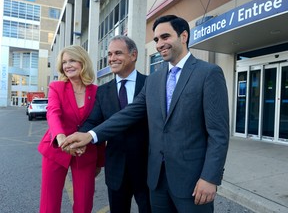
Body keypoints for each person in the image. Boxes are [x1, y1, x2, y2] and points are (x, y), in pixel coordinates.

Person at [62, 15, 229, 213]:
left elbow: (218, 134)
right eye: (156, 39)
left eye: (165, 37)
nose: (159, 44)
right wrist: (90, 135)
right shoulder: (155, 79)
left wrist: (210, 177)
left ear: (183, 36)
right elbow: (128, 114)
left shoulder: (209, 73)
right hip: (156, 181)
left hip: (192, 181)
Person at [79, 35, 151, 213]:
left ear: (133, 55)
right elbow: (93, 121)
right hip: (116, 168)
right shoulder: (103, 91)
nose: (112, 58)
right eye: (110, 54)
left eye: (118, 53)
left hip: (148, 168)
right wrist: (80, 136)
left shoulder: (151, 84)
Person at [38, 45, 105, 213]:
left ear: (83, 62)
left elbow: (99, 124)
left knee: (84, 202)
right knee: (49, 202)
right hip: (56, 148)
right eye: (64, 62)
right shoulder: (56, 87)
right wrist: (60, 138)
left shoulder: (98, 91)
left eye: (72, 60)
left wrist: (100, 161)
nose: (67, 65)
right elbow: (53, 112)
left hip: (85, 151)